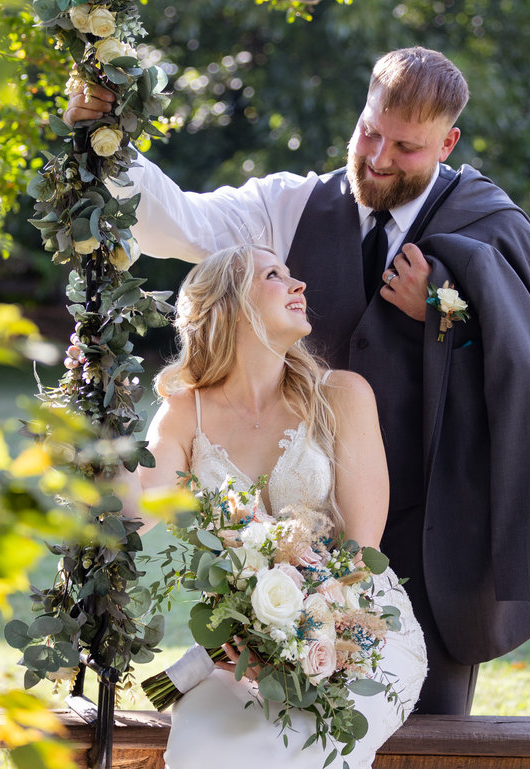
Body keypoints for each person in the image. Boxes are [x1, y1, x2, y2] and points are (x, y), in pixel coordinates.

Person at [66, 46, 530, 714]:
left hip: (434, 537)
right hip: (292, 535)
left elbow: (527, 366)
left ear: (447, 142)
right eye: (369, 132)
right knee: (261, 719)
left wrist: (445, 308)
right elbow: (184, 221)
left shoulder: (490, 222)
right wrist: (110, 145)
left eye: (406, 147)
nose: (378, 158)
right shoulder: (292, 205)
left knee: (427, 735)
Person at [123, 244, 427, 769]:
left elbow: (361, 549)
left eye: (291, 273)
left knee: (297, 745)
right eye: (273, 275)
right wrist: (104, 450)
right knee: (204, 742)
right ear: (231, 306)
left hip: (356, 631)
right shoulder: (182, 412)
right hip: (239, 649)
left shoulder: (342, 395)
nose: (298, 284)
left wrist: (290, 636)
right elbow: (136, 511)